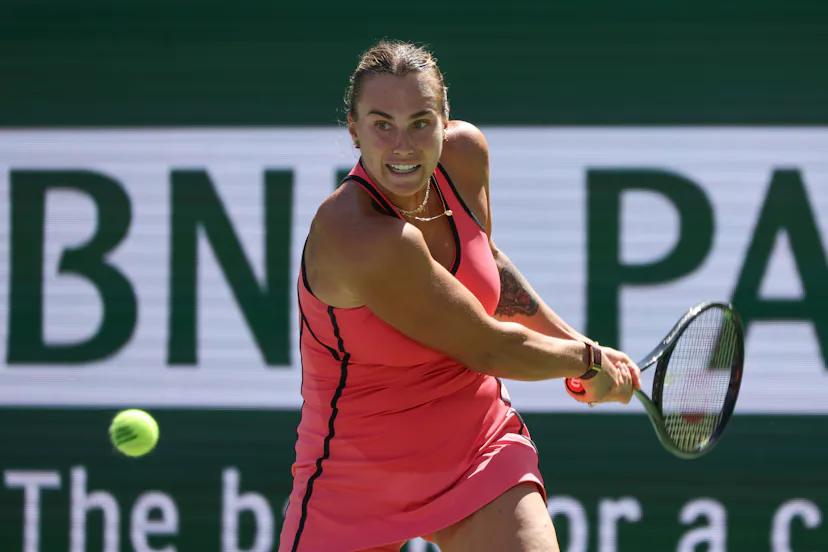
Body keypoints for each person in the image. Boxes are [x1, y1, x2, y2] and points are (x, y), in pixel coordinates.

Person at [279, 40, 642, 552]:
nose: (403, 145)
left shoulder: (464, 157)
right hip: (354, 476)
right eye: (382, 125)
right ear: (354, 130)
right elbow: (487, 347)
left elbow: (487, 267)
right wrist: (586, 361)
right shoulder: (357, 234)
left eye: (421, 122)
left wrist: (578, 345)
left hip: (477, 450)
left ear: (445, 121)